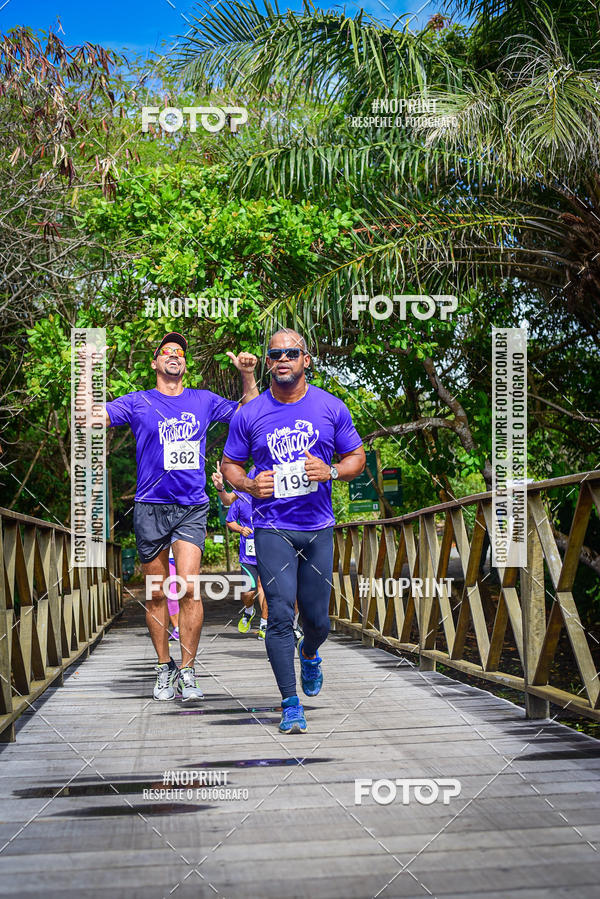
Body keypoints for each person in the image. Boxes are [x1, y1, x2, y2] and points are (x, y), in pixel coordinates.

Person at [97, 331, 258, 702]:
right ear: (155, 363)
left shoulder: (202, 400)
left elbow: (249, 413)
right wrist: (93, 370)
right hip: (150, 505)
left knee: (187, 586)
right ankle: (162, 667)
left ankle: (187, 670)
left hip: (191, 506)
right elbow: (92, 417)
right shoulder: (138, 402)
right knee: (157, 593)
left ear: (185, 365)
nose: (174, 355)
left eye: (180, 353)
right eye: (166, 351)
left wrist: (247, 376)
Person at [221, 329, 365, 733]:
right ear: (268, 363)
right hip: (271, 527)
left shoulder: (330, 407)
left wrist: (332, 470)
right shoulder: (250, 413)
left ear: (306, 360)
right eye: (275, 354)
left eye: (291, 353)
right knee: (280, 614)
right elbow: (230, 464)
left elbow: (357, 456)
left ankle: (311, 652)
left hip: (317, 527)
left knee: (318, 620)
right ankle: (289, 703)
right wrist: (248, 485)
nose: (282, 359)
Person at [225, 468, 269, 639]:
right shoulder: (241, 498)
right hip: (248, 554)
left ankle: (264, 625)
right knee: (248, 592)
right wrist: (241, 528)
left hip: (268, 551)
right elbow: (230, 522)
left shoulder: (270, 499)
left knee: (264, 587)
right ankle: (249, 611)